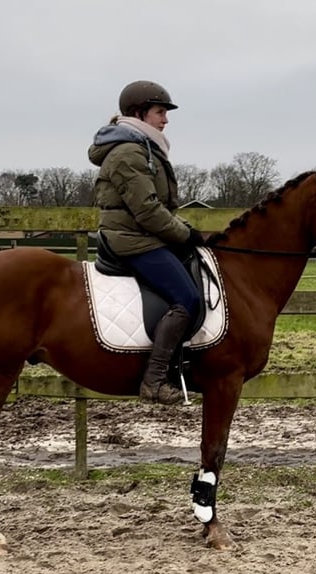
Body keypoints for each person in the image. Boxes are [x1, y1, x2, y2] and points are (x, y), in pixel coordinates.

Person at [88, 80, 205, 405]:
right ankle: (153, 381)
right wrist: (185, 234)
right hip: (134, 240)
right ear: (139, 113)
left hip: (143, 235)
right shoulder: (128, 153)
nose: (165, 119)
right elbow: (148, 211)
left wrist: (183, 229)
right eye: (160, 112)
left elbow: (159, 208)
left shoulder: (144, 149)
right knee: (188, 298)